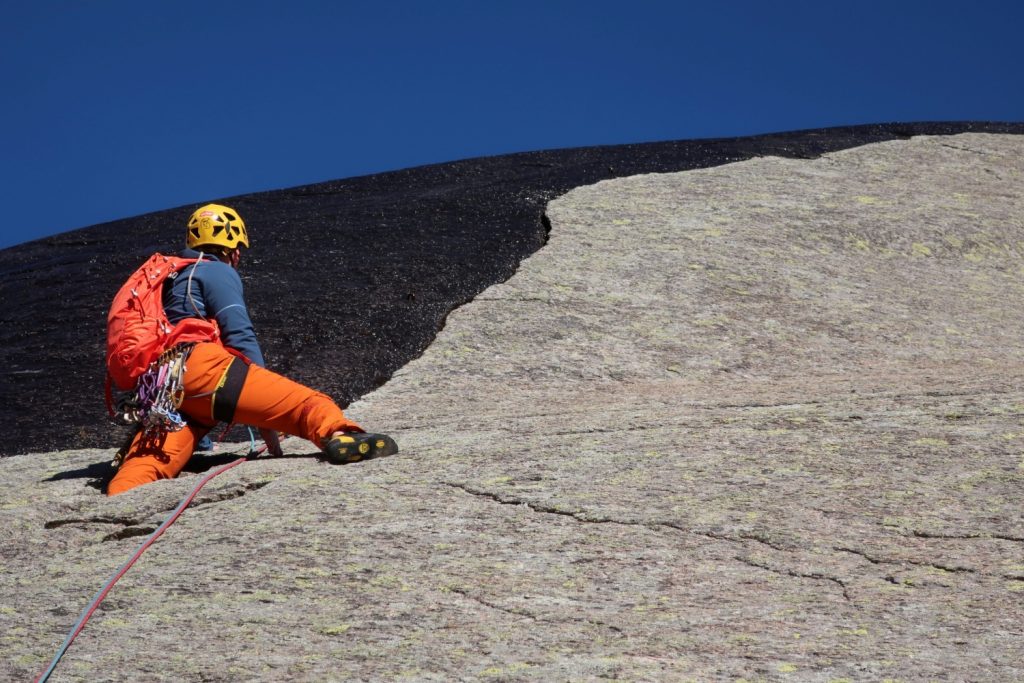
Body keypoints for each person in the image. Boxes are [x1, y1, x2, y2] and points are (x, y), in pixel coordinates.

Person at [107, 203, 397, 495]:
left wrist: (202, 443)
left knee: (145, 465)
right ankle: (340, 434)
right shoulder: (215, 270)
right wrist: (266, 423)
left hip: (163, 389)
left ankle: (118, 501)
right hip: (202, 368)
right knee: (308, 404)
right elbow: (240, 334)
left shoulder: (168, 279)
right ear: (232, 249)